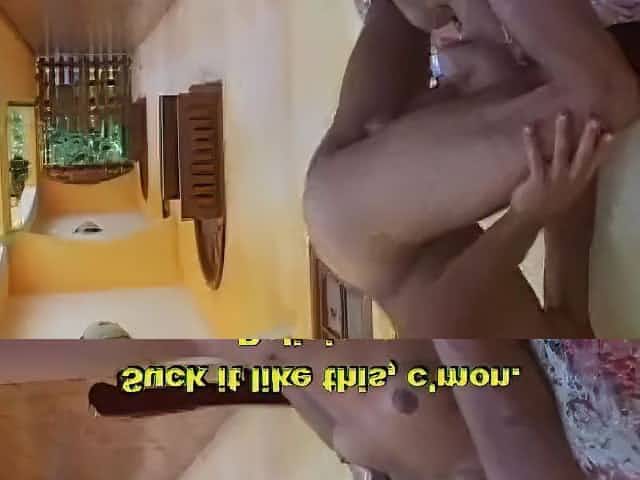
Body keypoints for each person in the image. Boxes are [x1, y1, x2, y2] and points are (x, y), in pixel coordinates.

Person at [302, 0, 640, 337]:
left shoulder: (514, 369)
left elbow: (436, 322)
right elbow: (568, 291)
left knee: (606, 96)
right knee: (410, 16)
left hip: (363, 226)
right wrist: (570, 163)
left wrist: (526, 217)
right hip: (352, 227)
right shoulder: (571, 349)